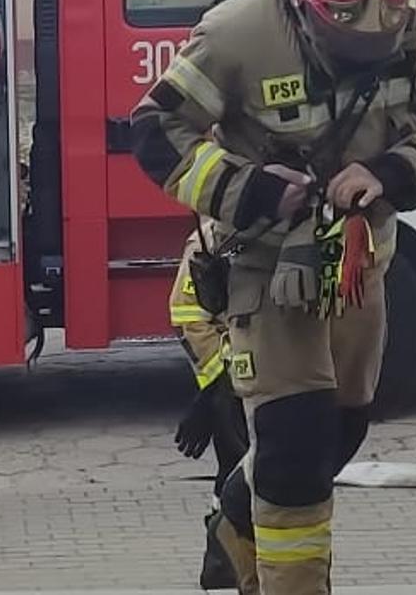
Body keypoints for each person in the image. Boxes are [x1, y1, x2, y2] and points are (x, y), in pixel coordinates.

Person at [129, 0, 416, 595]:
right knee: (291, 449)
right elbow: (154, 132)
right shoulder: (238, 32)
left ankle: (234, 518)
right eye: (344, 34)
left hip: (358, 265)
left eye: (377, 36)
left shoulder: (414, 25)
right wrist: (249, 189)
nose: (363, 46)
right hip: (263, 264)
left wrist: (390, 173)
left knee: (338, 434)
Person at [170, 229, 252, 592]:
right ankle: (224, 562)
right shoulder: (213, 237)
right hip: (240, 387)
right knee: (235, 473)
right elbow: (188, 314)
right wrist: (218, 386)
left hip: (293, 385)